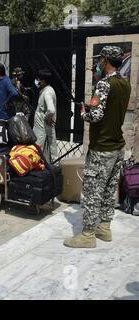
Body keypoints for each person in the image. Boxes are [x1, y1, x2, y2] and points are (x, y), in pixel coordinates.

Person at [64, 46, 131, 248]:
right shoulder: (124, 83)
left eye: (100, 60)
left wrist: (85, 112)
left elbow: (95, 116)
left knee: (93, 190)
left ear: (107, 61)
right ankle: (104, 227)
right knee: (109, 188)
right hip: (117, 146)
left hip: (101, 147)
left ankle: (87, 235)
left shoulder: (104, 84)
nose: (98, 64)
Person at [33, 69, 58, 163]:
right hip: (42, 128)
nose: (36, 81)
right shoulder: (46, 90)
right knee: (46, 152)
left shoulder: (47, 93)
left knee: (39, 151)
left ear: (43, 81)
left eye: (37, 79)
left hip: (42, 128)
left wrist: (46, 117)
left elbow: (51, 110)